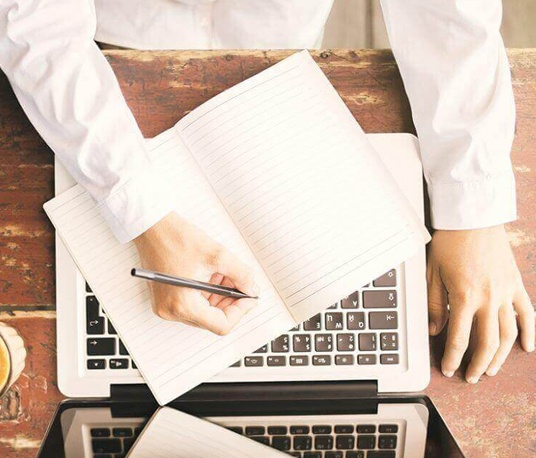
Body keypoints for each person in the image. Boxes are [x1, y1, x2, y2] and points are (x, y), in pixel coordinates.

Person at [0, 0, 533, 385]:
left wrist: (473, 211)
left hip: (284, 61)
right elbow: (34, 19)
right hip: (96, 65)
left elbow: (445, 13)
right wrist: (143, 215)